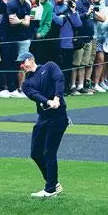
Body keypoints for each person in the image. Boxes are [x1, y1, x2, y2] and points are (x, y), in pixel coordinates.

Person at [18, 51, 68, 198]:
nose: (22, 66)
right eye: (20, 64)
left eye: (23, 62)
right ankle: (53, 183)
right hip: (43, 117)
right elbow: (35, 95)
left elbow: (59, 79)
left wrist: (57, 98)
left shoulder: (50, 66)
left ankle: (50, 189)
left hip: (58, 117)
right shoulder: (26, 84)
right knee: (35, 153)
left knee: (49, 152)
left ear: (32, 59)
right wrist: (49, 102)